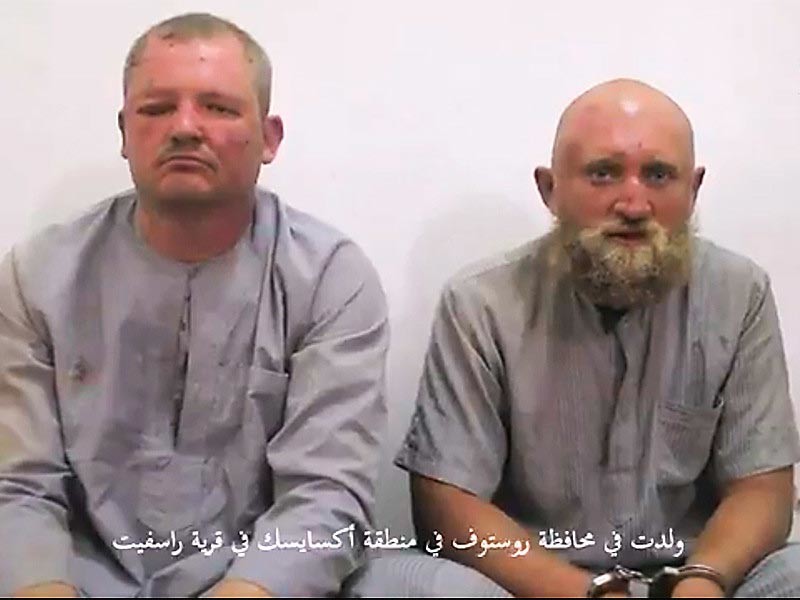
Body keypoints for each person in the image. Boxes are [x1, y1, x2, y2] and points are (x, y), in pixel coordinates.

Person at [354, 79, 800, 597]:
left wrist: (705, 580)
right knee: (395, 584)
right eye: (603, 173)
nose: (634, 203)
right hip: (534, 584)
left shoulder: (739, 293)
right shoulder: (481, 303)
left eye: (658, 175)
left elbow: (762, 486)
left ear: (693, 189)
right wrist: (590, 594)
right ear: (550, 189)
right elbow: (448, 504)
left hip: (692, 575)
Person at [0, 12, 389, 598]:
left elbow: (326, 495)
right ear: (125, 131)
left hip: (258, 581)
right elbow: (19, 487)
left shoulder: (331, 277)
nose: (184, 128)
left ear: (269, 138)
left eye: (218, 108)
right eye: (157, 109)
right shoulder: (38, 275)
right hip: (81, 578)